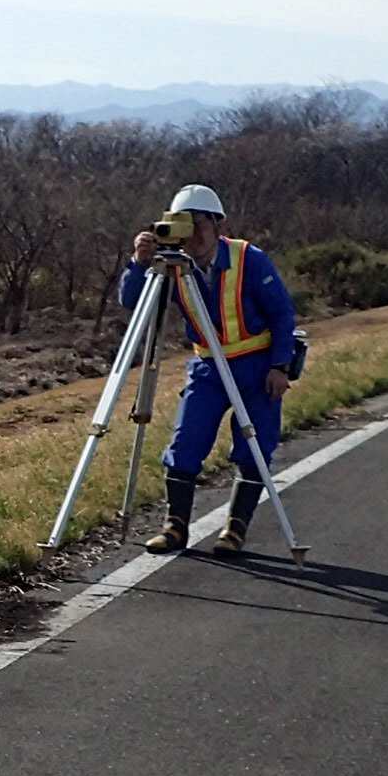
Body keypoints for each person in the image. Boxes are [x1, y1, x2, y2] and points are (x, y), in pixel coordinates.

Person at [118, 181, 304, 556]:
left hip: (257, 364)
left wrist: (280, 366)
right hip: (208, 367)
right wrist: (139, 265)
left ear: (218, 224)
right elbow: (134, 303)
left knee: (255, 445)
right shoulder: (173, 264)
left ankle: (235, 529)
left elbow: (282, 314)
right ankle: (175, 526)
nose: (194, 236)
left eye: (200, 225)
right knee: (186, 442)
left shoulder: (249, 259)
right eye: (185, 226)